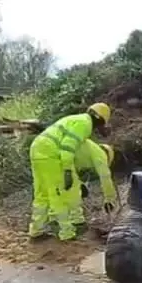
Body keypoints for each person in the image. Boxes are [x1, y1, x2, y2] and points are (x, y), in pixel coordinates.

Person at [28, 102, 112, 241]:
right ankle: (66, 233)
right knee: (58, 193)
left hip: (38, 148)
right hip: (51, 153)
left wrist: (77, 182)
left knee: (42, 194)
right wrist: (67, 171)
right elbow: (67, 148)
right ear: (100, 120)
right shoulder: (85, 124)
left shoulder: (77, 119)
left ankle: (36, 231)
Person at [67, 141, 118, 227]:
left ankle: (60, 221)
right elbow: (105, 177)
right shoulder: (100, 155)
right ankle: (75, 223)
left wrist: (80, 184)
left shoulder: (88, 150)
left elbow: (73, 168)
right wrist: (110, 200)